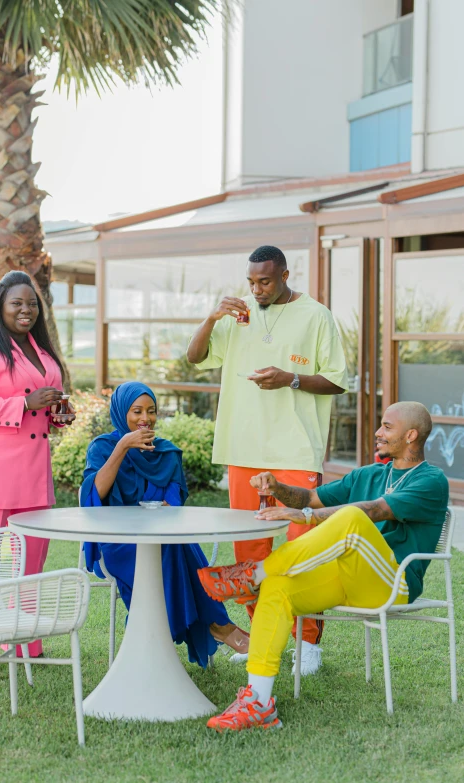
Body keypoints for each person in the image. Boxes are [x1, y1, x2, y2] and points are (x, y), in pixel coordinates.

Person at [197, 402, 449, 731]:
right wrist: (278, 489)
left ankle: (254, 574)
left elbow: (374, 510)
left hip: (392, 583)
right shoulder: (369, 474)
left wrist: (305, 519)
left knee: (354, 517)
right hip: (347, 579)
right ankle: (258, 702)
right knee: (278, 590)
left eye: (387, 427)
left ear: (411, 435)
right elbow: (311, 498)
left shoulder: (432, 480)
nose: (377, 432)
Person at [187, 245, 348, 672]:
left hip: (295, 448)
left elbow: (336, 380)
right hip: (243, 450)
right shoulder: (237, 315)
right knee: (248, 557)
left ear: (284, 275)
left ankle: (308, 645)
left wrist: (290, 379)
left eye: (266, 281)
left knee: (305, 548)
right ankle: (266, 638)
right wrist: (210, 318)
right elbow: (195, 357)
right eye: (252, 282)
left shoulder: (316, 315)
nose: (257, 290)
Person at [80, 381, 249, 667]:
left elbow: (173, 506)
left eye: (151, 411)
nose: (145, 418)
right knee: (171, 545)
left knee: (170, 542)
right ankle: (218, 625)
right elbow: (93, 496)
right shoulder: (103, 448)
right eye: (136, 411)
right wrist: (122, 447)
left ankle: (153, 641)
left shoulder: (166, 453)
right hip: (118, 542)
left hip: (160, 539)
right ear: (122, 412)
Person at [0, 270, 75, 661]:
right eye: (16, 303)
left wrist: (59, 412)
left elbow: (43, 404)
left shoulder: (41, 348)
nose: (26, 310)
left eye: (32, 303)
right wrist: (25, 403)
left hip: (33, 472)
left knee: (32, 556)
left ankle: (27, 642)